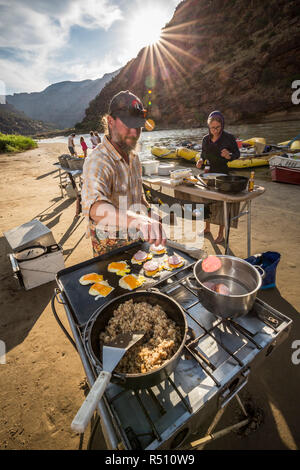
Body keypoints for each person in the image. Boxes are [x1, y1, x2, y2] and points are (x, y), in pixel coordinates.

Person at [81, 90, 166, 257]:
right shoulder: (98, 160)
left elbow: (137, 197)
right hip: (111, 250)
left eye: (138, 126)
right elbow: (95, 208)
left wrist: (149, 213)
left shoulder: (134, 157)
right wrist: (138, 220)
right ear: (110, 121)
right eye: (128, 125)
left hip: (136, 242)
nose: (134, 133)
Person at [196, 111, 240, 243]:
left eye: (217, 127)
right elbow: (203, 155)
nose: (215, 130)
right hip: (208, 173)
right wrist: (200, 160)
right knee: (206, 201)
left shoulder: (229, 138)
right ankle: (207, 227)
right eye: (212, 128)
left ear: (222, 125)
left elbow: (237, 154)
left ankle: (221, 233)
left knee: (222, 204)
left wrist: (229, 156)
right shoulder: (205, 139)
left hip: (223, 174)